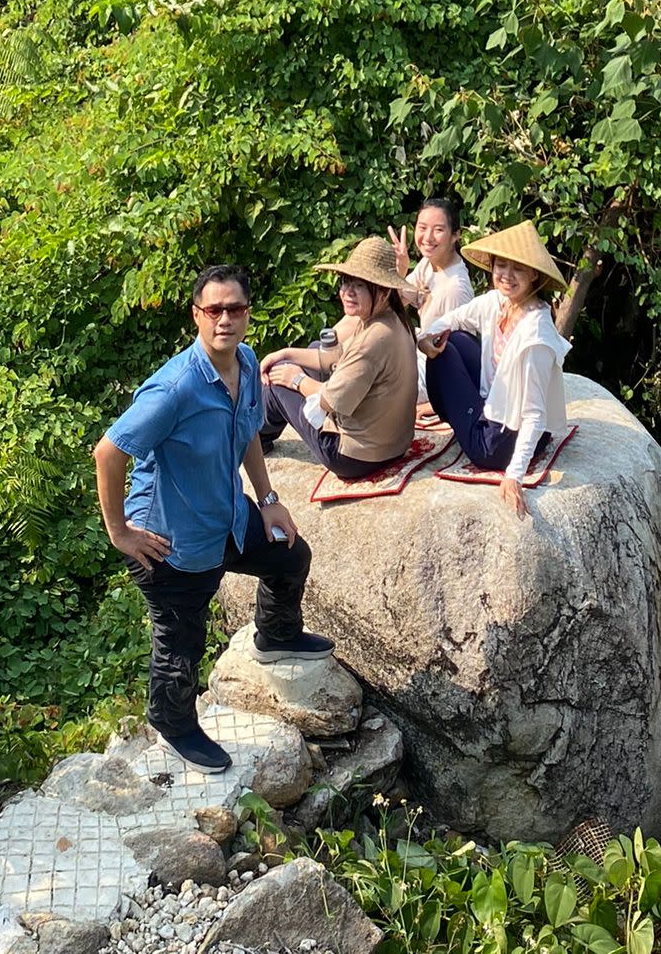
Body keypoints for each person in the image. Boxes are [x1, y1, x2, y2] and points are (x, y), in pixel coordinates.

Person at [93, 263, 333, 773]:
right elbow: (108, 453)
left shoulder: (245, 363)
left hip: (224, 512)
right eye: (214, 309)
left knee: (290, 556)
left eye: (235, 308)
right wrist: (120, 533)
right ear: (197, 315)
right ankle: (173, 725)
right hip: (170, 537)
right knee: (181, 645)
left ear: (247, 313)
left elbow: (247, 428)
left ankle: (277, 634)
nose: (225, 318)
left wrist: (269, 501)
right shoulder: (177, 388)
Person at [418, 220, 570, 520]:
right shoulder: (497, 302)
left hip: (496, 444)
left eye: (518, 269)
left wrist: (514, 474)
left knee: (446, 355)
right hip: (497, 410)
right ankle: (460, 411)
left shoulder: (535, 334)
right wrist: (425, 340)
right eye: (501, 265)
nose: (507, 276)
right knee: (454, 339)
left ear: (534, 276)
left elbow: (535, 413)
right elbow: (454, 318)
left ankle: (466, 423)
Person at [259, 237, 418, 479]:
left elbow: (332, 401)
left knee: (275, 386)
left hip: (355, 456)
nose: (347, 292)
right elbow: (338, 357)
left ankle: (257, 440)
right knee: (302, 355)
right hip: (393, 444)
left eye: (360, 285)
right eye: (346, 283)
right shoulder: (391, 319)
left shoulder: (374, 337)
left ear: (384, 290)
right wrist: (286, 353)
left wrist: (295, 379)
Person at [389, 195, 474, 420]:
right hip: (422, 352)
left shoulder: (455, 287)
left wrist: (436, 405)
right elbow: (393, 306)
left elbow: (455, 355)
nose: (427, 237)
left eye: (438, 230)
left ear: (456, 235)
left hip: (433, 370)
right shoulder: (429, 263)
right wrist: (401, 271)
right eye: (422, 227)